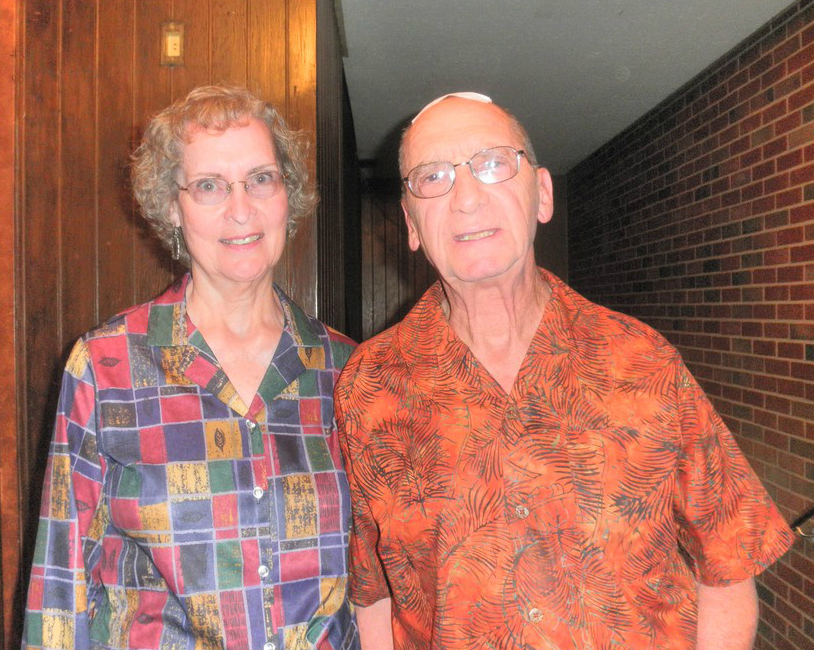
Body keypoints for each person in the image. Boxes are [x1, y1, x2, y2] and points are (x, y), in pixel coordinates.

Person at [334, 93, 795, 650]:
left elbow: (729, 561)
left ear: (543, 195)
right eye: (433, 176)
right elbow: (375, 592)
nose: (467, 198)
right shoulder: (369, 387)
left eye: (493, 163)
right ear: (411, 224)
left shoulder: (641, 359)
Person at [23, 85, 359, 650]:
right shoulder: (106, 367)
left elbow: (374, 579)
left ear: (288, 194)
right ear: (172, 207)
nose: (241, 209)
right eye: (209, 186)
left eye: (260, 178)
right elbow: (60, 583)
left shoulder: (348, 370)